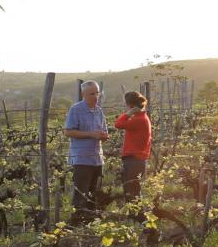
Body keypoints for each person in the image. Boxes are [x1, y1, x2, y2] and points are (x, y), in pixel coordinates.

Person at [64, 80, 109, 224]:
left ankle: (90, 223)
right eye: (92, 94)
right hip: (82, 158)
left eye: (97, 93)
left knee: (94, 193)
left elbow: (104, 132)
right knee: (81, 194)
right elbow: (68, 131)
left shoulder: (99, 110)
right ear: (83, 94)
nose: (95, 96)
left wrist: (104, 136)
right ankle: (76, 224)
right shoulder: (76, 109)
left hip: (97, 158)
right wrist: (91, 134)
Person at [114, 91, 152, 204]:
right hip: (137, 160)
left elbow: (118, 124)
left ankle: (138, 218)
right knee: (134, 191)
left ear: (130, 105)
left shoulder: (138, 120)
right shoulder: (143, 118)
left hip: (134, 160)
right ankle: (137, 217)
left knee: (131, 192)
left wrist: (128, 113)